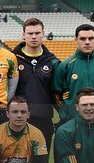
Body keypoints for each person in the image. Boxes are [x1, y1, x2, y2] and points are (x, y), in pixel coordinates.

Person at [52, 24, 94, 126]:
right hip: (72, 121)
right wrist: (66, 111)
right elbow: (56, 94)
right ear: (76, 40)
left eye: (91, 38)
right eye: (83, 39)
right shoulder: (65, 66)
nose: (87, 42)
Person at [12, 17, 59, 150]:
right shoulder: (13, 59)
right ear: (23, 35)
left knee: (41, 161)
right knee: (19, 162)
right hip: (18, 118)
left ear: (43, 34)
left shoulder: (53, 62)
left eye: (37, 33)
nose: (34, 36)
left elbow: (57, 92)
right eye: (30, 33)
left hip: (43, 118)